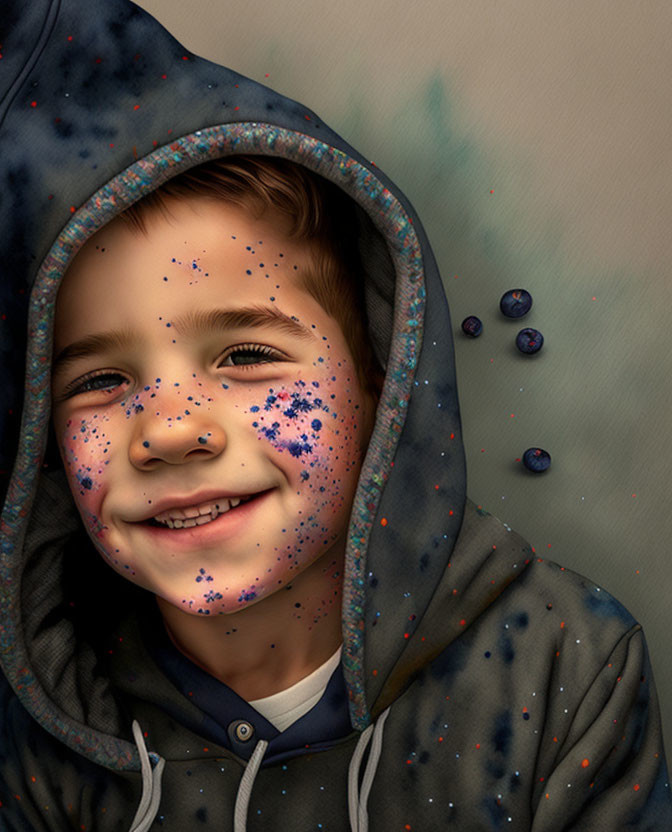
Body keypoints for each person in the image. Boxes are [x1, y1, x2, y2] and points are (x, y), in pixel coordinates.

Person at [0, 0, 670, 829]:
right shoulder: (40, 731)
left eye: (246, 357)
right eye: (99, 380)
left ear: (380, 383)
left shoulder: (567, 667)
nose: (169, 429)